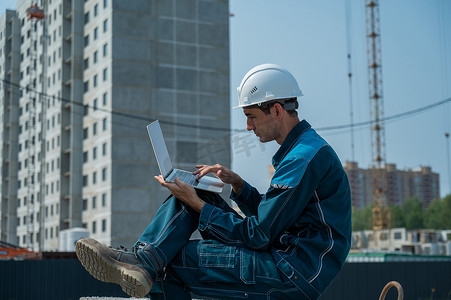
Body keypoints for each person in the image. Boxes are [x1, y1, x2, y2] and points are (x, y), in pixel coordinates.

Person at [76, 63, 352, 300]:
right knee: (197, 192)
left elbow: (259, 235)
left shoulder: (301, 159)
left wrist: (196, 204)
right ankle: (144, 260)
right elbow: (277, 220)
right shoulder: (304, 150)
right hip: (285, 259)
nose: (248, 127)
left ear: (277, 111)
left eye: (251, 117)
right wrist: (239, 186)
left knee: (172, 260)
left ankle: (145, 261)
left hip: (290, 272)